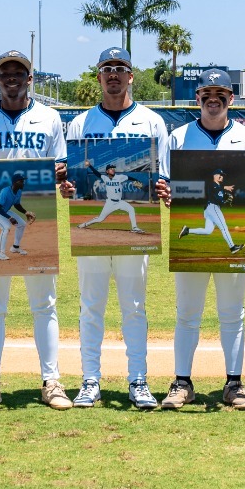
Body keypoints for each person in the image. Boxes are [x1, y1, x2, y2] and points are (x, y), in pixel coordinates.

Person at [0, 49, 73, 412]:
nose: (12, 77)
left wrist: (61, 174)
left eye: (19, 72)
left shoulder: (49, 117)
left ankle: (51, 381)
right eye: (5, 72)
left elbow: (61, 167)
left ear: (30, 78)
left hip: (43, 217)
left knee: (45, 305)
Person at [62, 46, 172, 410]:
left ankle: (138, 380)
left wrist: (163, 187)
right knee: (90, 306)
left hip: (132, 229)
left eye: (120, 68)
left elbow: (161, 174)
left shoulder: (152, 122)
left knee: (134, 307)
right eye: (107, 68)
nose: (113, 73)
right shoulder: (80, 123)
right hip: (94, 223)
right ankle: (90, 380)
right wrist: (67, 188)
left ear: (130, 75)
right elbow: (74, 177)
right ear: (99, 76)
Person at [162, 69, 245, 411]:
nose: (214, 99)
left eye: (220, 93)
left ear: (231, 98)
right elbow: (165, 182)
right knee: (187, 313)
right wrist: (166, 193)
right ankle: (182, 382)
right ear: (197, 98)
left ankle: (234, 383)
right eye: (207, 93)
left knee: (232, 313)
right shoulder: (179, 137)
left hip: (239, 225)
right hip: (196, 219)